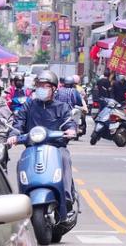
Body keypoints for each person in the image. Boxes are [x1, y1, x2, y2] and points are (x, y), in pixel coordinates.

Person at [7, 70, 77, 204]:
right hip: (32, 147)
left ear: (54, 89)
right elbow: (19, 122)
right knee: (22, 163)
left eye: (45, 86)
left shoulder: (62, 106)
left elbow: (69, 122)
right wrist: (13, 135)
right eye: (39, 85)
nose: (42, 89)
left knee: (65, 158)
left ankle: (66, 197)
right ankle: (23, 199)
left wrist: (71, 130)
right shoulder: (29, 104)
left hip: (56, 147)